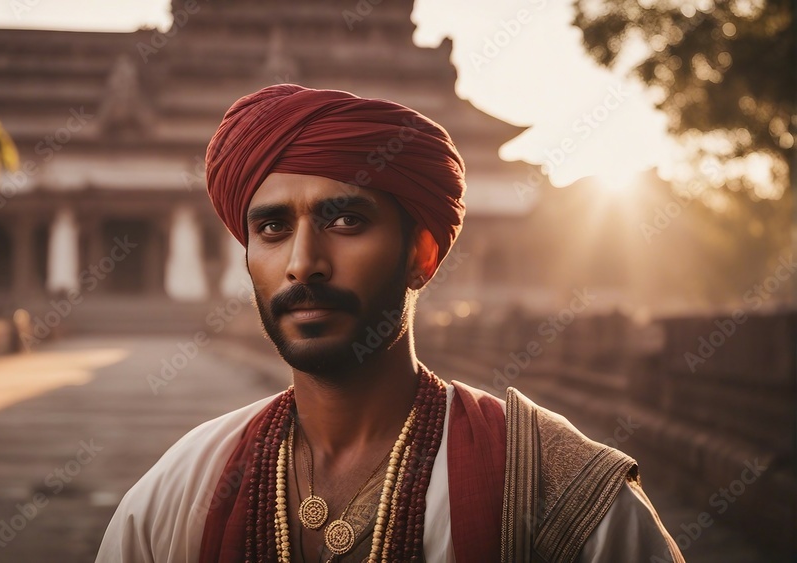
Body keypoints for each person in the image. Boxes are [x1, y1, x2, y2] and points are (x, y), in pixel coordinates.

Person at [95, 84, 685, 563]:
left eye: (347, 220)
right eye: (272, 228)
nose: (303, 263)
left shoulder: (558, 493)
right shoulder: (179, 492)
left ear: (421, 255)